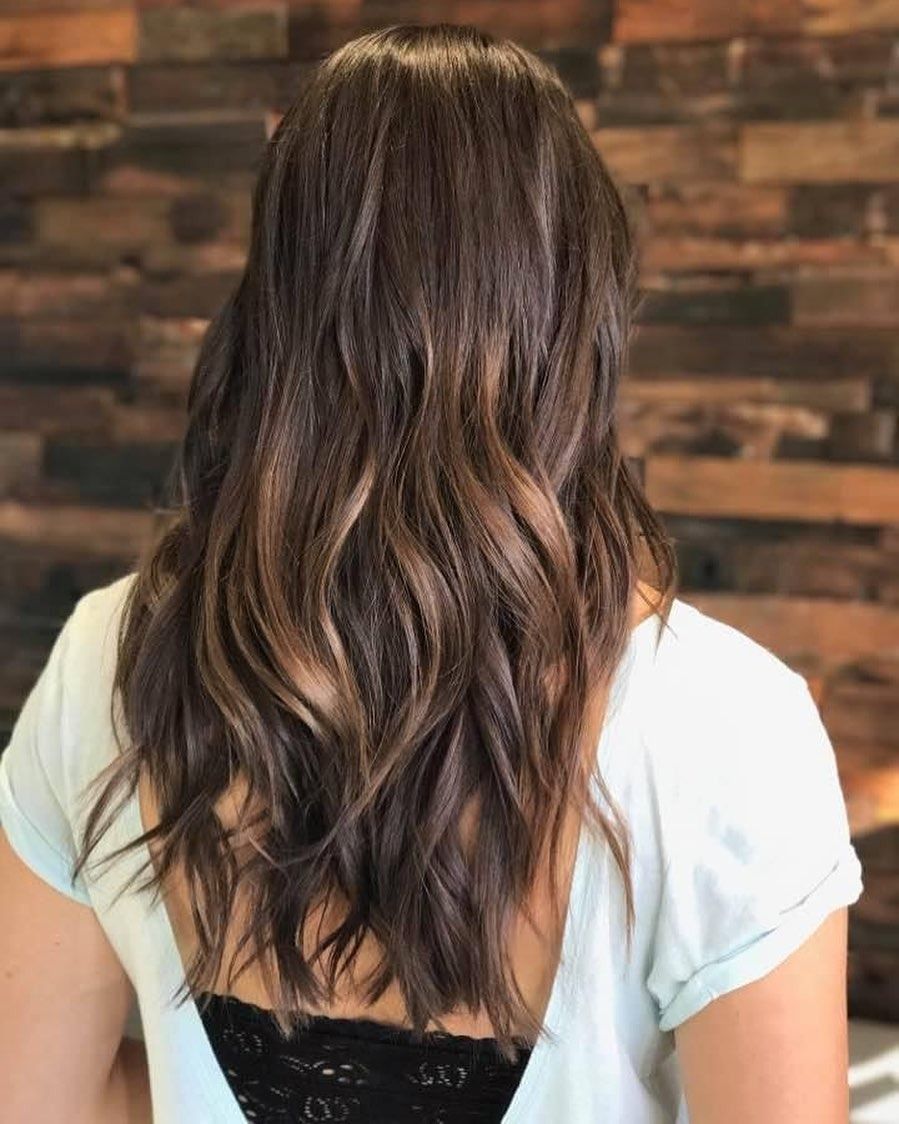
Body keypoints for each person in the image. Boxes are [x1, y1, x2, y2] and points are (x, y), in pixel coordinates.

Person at [0, 22, 863, 1124]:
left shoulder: (107, 663)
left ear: (275, 305)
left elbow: (35, 1099)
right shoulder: (725, 727)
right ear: (576, 319)